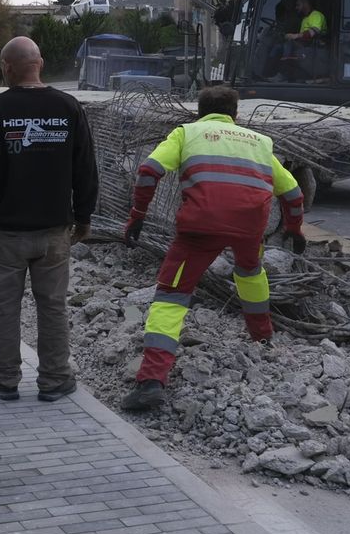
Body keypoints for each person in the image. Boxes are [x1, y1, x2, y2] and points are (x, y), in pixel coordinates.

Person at [119, 85, 307, 412]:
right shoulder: (261, 143)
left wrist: (137, 216)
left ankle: (151, 381)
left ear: (199, 112)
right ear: (236, 115)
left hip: (199, 228)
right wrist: (294, 230)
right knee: (250, 273)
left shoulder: (187, 133)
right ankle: (262, 338)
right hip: (250, 226)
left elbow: (149, 171)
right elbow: (292, 194)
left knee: (172, 295)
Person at [0, 37, 98, 403]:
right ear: (38, 63)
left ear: (8, 66)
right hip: (55, 231)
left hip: (7, 233)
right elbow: (85, 168)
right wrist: (84, 215)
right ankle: (55, 380)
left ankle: (5, 379)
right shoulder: (68, 107)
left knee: (4, 306)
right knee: (52, 305)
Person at [266, 0, 327, 81]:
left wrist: (295, 36)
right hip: (304, 44)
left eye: (298, 5)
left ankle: (284, 74)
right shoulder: (305, 18)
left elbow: (313, 33)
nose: (296, 7)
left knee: (288, 44)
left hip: (314, 46)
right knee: (277, 46)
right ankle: (268, 72)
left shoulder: (316, 15)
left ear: (305, 4)